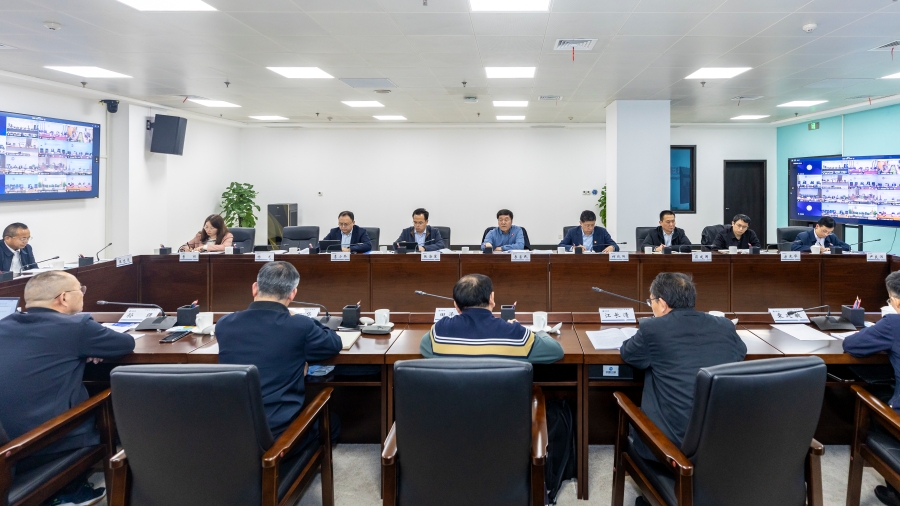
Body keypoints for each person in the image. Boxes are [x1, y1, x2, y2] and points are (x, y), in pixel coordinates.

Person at [0, 271, 134, 505]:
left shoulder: (4, 325)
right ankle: (71, 490)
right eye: (80, 290)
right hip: (45, 442)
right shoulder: (77, 326)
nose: (83, 294)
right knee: (111, 403)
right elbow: (125, 343)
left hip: (6, 439)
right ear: (63, 298)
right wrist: (89, 348)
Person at [620, 272, 746, 469]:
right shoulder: (724, 325)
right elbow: (740, 352)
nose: (651, 306)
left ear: (662, 304)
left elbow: (628, 353)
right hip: (721, 441)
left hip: (671, 448)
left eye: (651, 301)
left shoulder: (652, 329)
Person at [216, 261, 342, 443]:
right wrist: (304, 319)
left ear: (254, 288)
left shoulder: (224, 324)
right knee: (332, 422)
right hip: (278, 437)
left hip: (232, 431)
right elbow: (333, 343)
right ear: (292, 294)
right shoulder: (299, 326)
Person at [843, 271, 900, 506]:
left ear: (896, 302)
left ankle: (896, 492)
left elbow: (851, 345)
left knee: (872, 398)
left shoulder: (894, 323)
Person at [420, 273, 563, 363]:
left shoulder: (439, 331)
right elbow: (556, 351)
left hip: (454, 402)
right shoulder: (516, 334)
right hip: (503, 403)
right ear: (491, 299)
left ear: (456, 305)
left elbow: (424, 347)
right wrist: (540, 331)